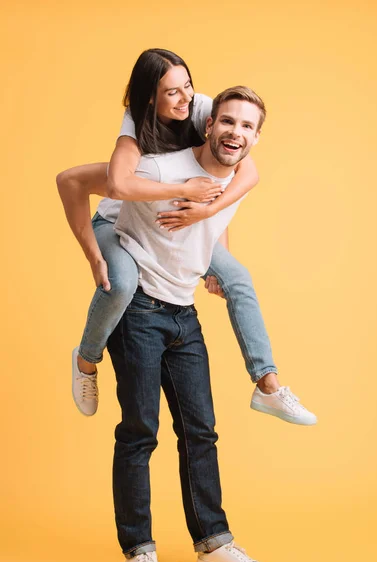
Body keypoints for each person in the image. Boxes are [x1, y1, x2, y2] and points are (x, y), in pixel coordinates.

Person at [57, 48, 317, 426]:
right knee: (121, 283)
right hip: (119, 223)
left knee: (239, 279)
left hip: (184, 221)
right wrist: (94, 255)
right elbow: (87, 182)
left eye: (188, 86)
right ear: (150, 97)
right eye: (172, 92)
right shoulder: (137, 141)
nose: (186, 98)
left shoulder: (205, 111)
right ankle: (86, 360)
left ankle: (268, 384)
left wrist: (209, 214)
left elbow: (246, 171)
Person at [108, 86, 274, 562]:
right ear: (208, 122)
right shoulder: (159, 167)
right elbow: (105, 185)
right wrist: (102, 252)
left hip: (185, 315)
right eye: (228, 122)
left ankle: (214, 545)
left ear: (256, 139)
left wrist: (210, 252)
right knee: (140, 432)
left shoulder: (236, 179)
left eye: (248, 127)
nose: (236, 133)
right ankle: (139, 550)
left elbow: (220, 222)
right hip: (138, 311)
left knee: (201, 432)